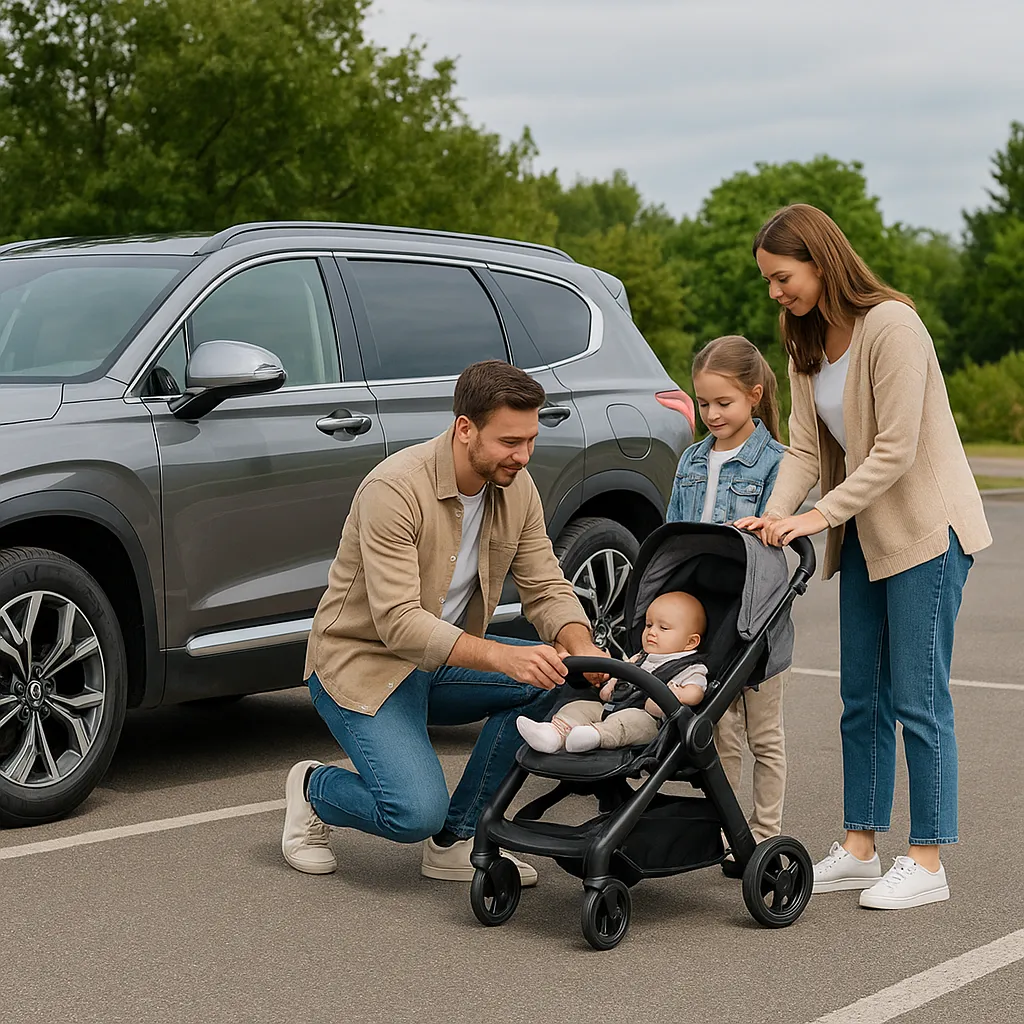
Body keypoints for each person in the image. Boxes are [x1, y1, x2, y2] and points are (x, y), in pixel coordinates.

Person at [736, 203, 991, 911]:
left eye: (782, 277)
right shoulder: (803, 339)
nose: (775, 293)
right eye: (768, 281)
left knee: (917, 698)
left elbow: (896, 449)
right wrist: (780, 514)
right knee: (860, 697)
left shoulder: (893, 326)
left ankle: (929, 857)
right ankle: (859, 845)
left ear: (821, 261)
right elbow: (802, 447)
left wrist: (816, 515)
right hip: (866, 536)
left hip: (924, 532)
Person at [281, 360, 609, 886]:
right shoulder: (394, 489)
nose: (523, 457)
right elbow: (399, 624)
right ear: (465, 428)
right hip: (362, 666)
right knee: (412, 812)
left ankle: (456, 839)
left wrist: (582, 650)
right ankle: (313, 791)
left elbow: (546, 586)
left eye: (530, 440)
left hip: (440, 662)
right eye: (509, 442)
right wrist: (505, 656)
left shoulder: (517, 488)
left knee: (553, 677)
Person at [666, 335, 789, 877]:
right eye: (704, 403)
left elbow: (776, 533)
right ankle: (726, 824)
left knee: (764, 733)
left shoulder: (775, 463)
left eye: (724, 403)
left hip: (756, 613)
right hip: (707, 613)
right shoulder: (692, 459)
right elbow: (672, 531)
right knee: (720, 728)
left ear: (754, 396)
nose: (712, 414)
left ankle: (764, 834)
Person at [515, 591, 708, 753]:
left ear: (691, 642)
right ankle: (553, 734)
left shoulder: (689, 666)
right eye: (649, 625)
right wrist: (611, 684)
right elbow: (624, 674)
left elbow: (696, 692)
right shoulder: (640, 657)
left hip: (648, 721)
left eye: (663, 628)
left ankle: (594, 736)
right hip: (613, 708)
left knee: (627, 722)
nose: (652, 632)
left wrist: (675, 694)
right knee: (579, 707)